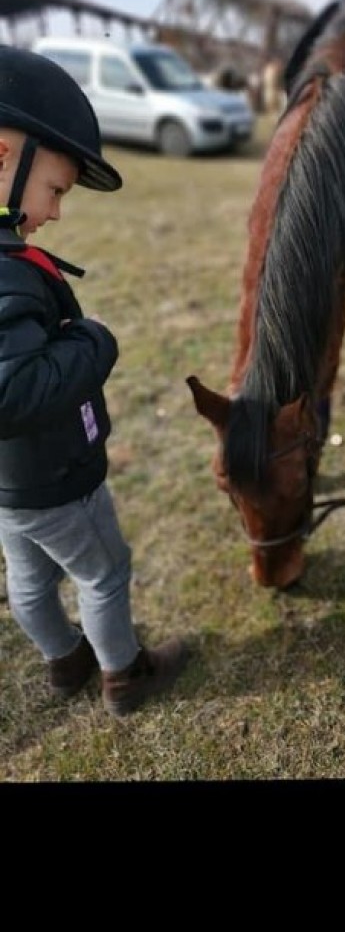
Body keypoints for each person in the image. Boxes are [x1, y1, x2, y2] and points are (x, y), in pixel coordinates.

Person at [0, 44, 188, 717]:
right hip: (57, 476)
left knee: (28, 574)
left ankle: (64, 661)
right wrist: (94, 341)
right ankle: (124, 673)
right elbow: (11, 392)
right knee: (103, 571)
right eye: (54, 190)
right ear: (2, 155)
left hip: (9, 485)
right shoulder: (8, 272)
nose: (54, 212)